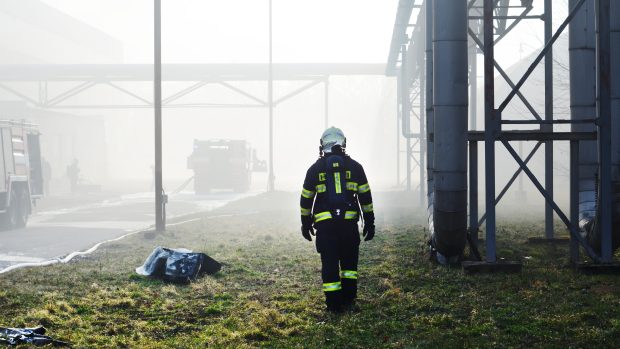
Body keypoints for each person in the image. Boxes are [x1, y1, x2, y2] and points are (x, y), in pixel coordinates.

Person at [299, 127, 375, 313]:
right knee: (349, 266)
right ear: (344, 143)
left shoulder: (315, 169)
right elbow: (365, 197)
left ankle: (333, 304)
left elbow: (306, 199)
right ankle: (349, 300)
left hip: (325, 227)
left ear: (322, 145)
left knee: (330, 265)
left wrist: (305, 222)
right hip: (349, 225)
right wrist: (369, 222)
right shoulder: (356, 167)